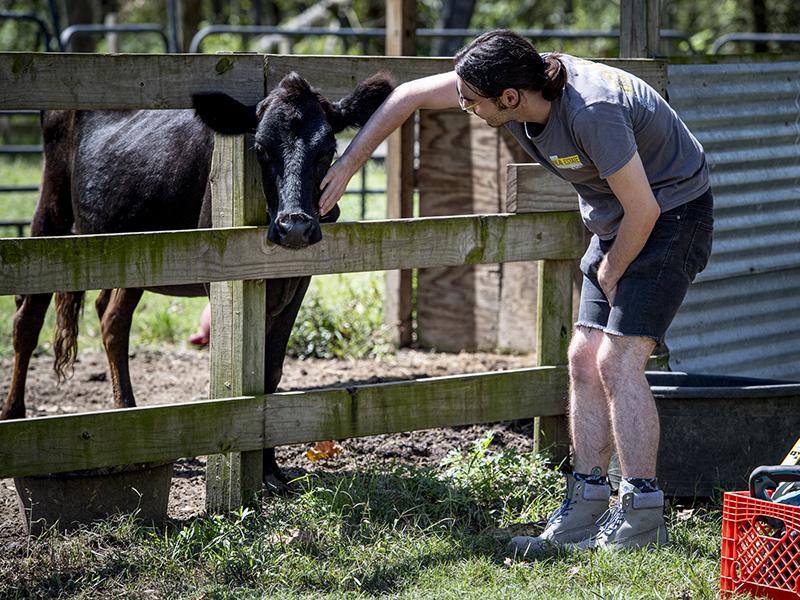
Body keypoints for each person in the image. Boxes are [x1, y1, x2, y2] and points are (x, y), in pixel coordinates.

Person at [319, 29, 713, 554]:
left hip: (671, 216)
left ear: (510, 98)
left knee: (618, 361)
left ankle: (641, 515)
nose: (464, 108)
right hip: (620, 219)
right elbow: (408, 95)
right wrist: (347, 166)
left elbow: (646, 210)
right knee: (582, 358)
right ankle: (587, 502)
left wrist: (614, 269)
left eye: (471, 101)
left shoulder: (591, 110)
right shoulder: (514, 90)